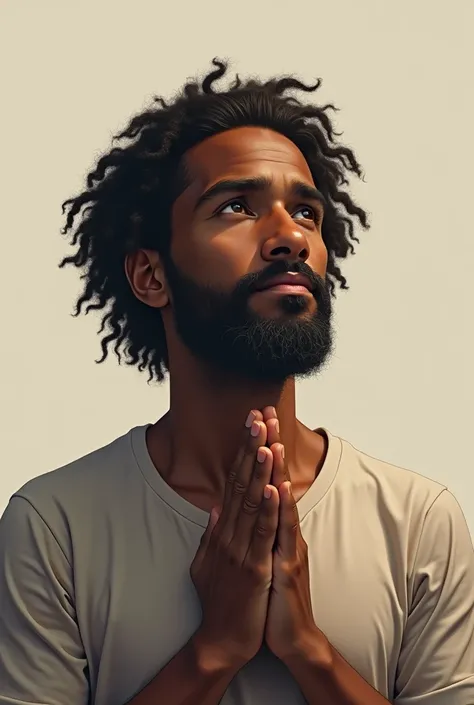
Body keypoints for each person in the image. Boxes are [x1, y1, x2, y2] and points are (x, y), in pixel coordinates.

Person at [0, 58, 473, 705]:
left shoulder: (419, 522)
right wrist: (214, 649)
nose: (289, 237)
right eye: (236, 206)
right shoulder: (55, 526)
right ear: (151, 276)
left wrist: (309, 648)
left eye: (306, 212)